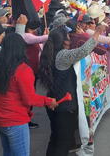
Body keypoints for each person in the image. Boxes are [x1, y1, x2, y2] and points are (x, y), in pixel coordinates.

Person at [0, 33, 58, 156]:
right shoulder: (23, 70)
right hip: (15, 120)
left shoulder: (0, 66)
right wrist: (48, 101)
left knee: (8, 153)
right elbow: (30, 99)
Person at [39, 25, 100, 156]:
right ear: (63, 41)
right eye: (68, 37)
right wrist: (98, 32)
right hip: (64, 106)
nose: (70, 39)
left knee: (55, 138)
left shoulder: (49, 53)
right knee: (63, 143)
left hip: (52, 101)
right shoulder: (62, 56)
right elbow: (84, 50)